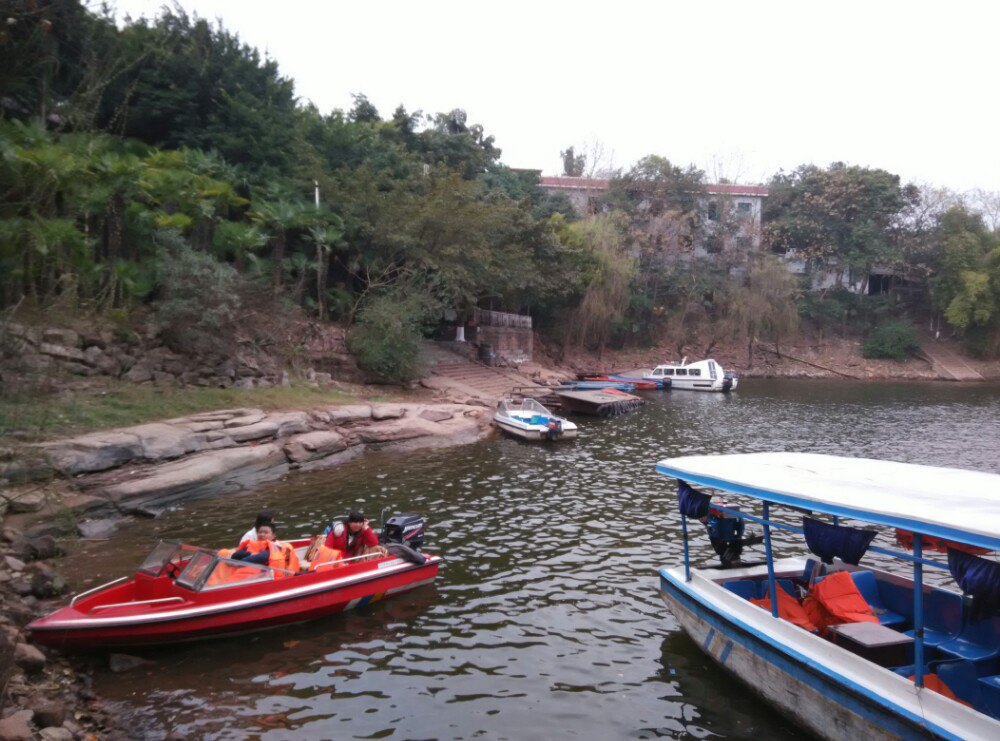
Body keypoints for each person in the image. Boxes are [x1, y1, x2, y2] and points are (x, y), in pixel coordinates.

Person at [231, 523, 300, 575]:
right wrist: (250, 554)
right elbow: (236, 555)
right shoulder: (255, 544)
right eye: (260, 532)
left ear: (273, 535)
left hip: (278, 579)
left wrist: (239, 562)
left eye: (265, 532)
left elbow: (262, 557)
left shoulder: (276, 546)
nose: (262, 534)